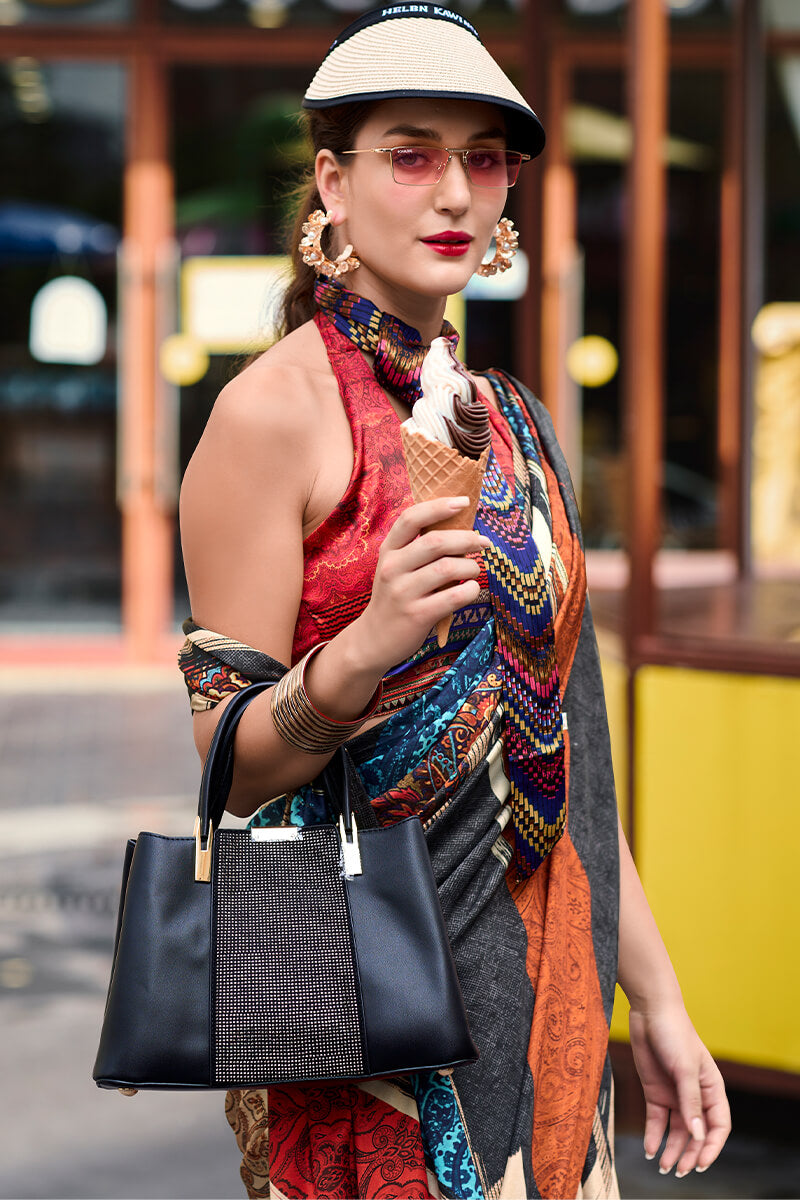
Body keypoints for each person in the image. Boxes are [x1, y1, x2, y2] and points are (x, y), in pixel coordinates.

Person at [178, 8, 731, 1198]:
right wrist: (365, 647)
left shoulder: (513, 420)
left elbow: (564, 756)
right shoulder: (270, 416)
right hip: (362, 1006)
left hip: (548, 1004)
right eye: (411, 154)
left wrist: (657, 999)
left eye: (482, 159)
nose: (452, 193)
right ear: (332, 184)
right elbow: (226, 765)